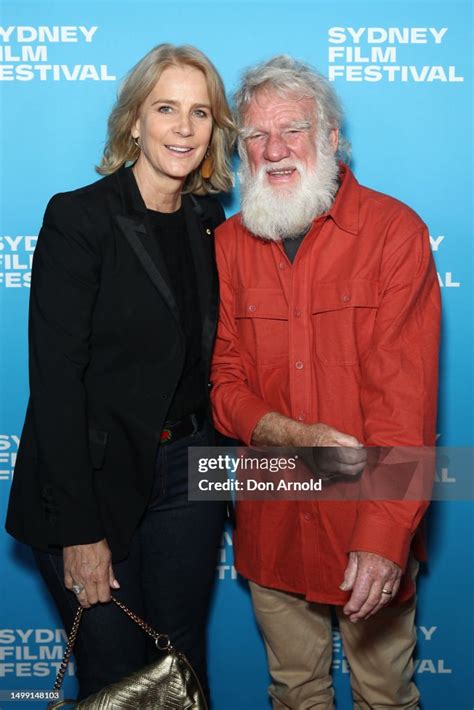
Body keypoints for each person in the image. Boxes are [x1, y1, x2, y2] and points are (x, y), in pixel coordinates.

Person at [6, 43, 234, 702]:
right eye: (166, 108)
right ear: (134, 120)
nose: (184, 128)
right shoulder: (80, 218)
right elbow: (55, 385)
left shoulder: (207, 220)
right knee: (117, 679)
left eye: (200, 113)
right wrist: (82, 532)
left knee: (180, 663)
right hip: (92, 481)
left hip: (188, 472)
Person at [210, 55, 440, 709]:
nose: (274, 150)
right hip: (270, 517)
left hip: (364, 517)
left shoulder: (395, 233)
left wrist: (384, 537)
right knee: (294, 691)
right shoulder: (226, 245)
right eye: (256, 136)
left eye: (293, 129)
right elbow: (221, 379)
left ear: (332, 136)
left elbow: (406, 402)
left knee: (384, 694)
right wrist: (285, 431)